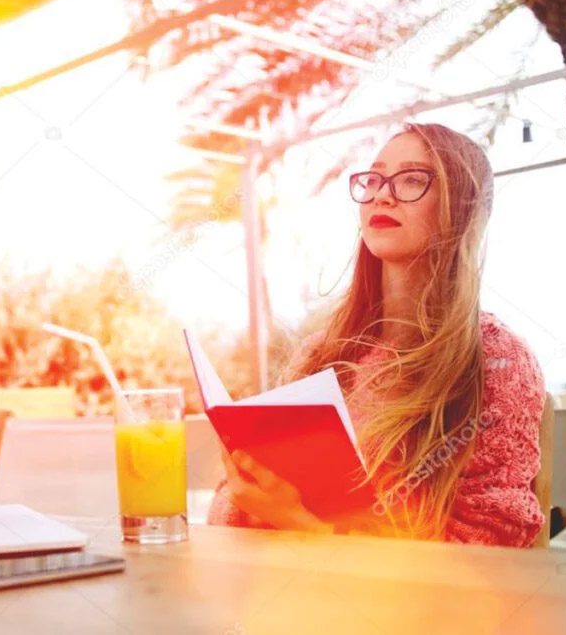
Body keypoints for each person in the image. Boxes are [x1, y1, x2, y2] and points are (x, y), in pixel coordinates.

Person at [208, 122, 547, 548]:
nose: (382, 194)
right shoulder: (318, 354)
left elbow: (492, 546)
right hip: (287, 600)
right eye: (373, 179)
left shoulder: (497, 358)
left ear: (462, 206)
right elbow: (226, 515)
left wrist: (302, 525)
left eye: (411, 180)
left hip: (420, 612)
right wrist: (243, 489)